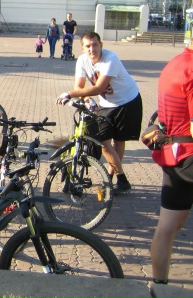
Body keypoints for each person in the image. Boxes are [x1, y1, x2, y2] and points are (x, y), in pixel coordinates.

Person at [56, 31, 142, 194]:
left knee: (119, 141)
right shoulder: (82, 60)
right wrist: (87, 99)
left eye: (95, 45)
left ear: (101, 45)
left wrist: (69, 94)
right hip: (106, 104)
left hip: (127, 100)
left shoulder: (111, 59)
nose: (92, 49)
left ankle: (112, 178)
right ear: (82, 48)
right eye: (88, 46)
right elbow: (79, 87)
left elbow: (98, 88)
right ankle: (121, 179)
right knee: (103, 141)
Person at [150, 40, 193, 285]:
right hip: (189, 154)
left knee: (167, 227)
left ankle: (159, 286)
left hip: (172, 154)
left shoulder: (175, 63)